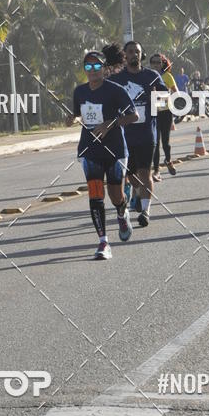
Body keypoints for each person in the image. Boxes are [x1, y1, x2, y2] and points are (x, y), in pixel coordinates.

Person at [66, 49, 136, 259]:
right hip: (90, 149)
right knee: (96, 194)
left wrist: (110, 124)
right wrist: (71, 118)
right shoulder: (79, 91)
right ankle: (103, 242)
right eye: (88, 67)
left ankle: (122, 213)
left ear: (104, 69)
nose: (93, 70)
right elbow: (79, 112)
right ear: (84, 70)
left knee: (115, 195)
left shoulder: (115, 90)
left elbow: (133, 115)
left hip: (114, 149)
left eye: (97, 66)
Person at [112, 42, 168, 227]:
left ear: (141, 54)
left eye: (137, 51)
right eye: (130, 52)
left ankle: (146, 211)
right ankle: (136, 191)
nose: (134, 54)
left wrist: (156, 100)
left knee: (145, 173)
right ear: (125, 56)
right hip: (125, 136)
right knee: (130, 176)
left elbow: (165, 100)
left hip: (146, 134)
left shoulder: (151, 76)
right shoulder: (118, 79)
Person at [149, 52, 177, 180]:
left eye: (158, 62)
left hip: (165, 111)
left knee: (165, 141)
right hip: (153, 112)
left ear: (163, 64)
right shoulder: (147, 77)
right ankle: (156, 171)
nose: (155, 65)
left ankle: (168, 160)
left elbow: (175, 92)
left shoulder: (167, 76)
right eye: (153, 62)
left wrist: (165, 94)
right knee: (155, 142)